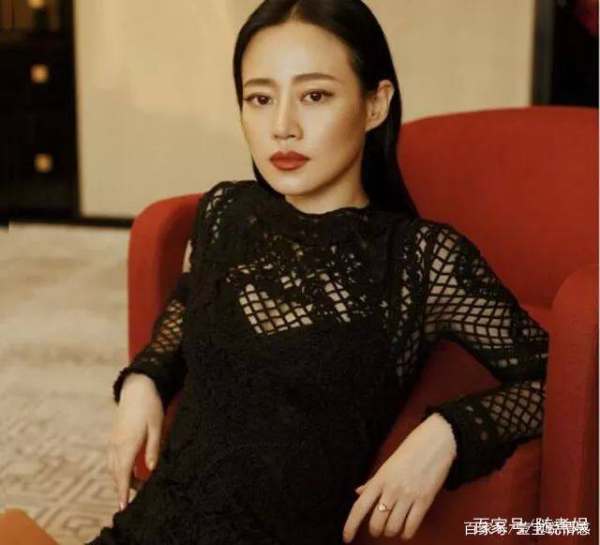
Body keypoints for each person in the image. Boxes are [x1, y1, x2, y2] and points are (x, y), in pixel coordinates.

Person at [86, 1, 549, 544]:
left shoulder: (420, 258)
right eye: (260, 99)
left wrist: (447, 433)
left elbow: (562, 384)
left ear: (375, 104)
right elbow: (194, 298)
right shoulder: (226, 212)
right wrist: (145, 379)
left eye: (315, 96)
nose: (282, 127)